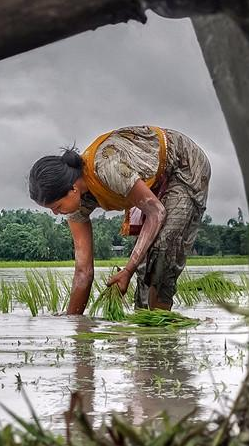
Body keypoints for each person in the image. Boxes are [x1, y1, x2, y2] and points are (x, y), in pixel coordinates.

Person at [28, 125, 211, 313]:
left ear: (73, 188)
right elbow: (83, 272)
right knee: (145, 262)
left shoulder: (107, 168)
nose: (56, 214)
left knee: (163, 249)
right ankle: (144, 322)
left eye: (57, 207)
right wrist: (74, 323)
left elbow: (156, 213)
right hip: (151, 178)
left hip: (184, 165)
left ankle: (159, 328)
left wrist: (127, 270)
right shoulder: (76, 208)